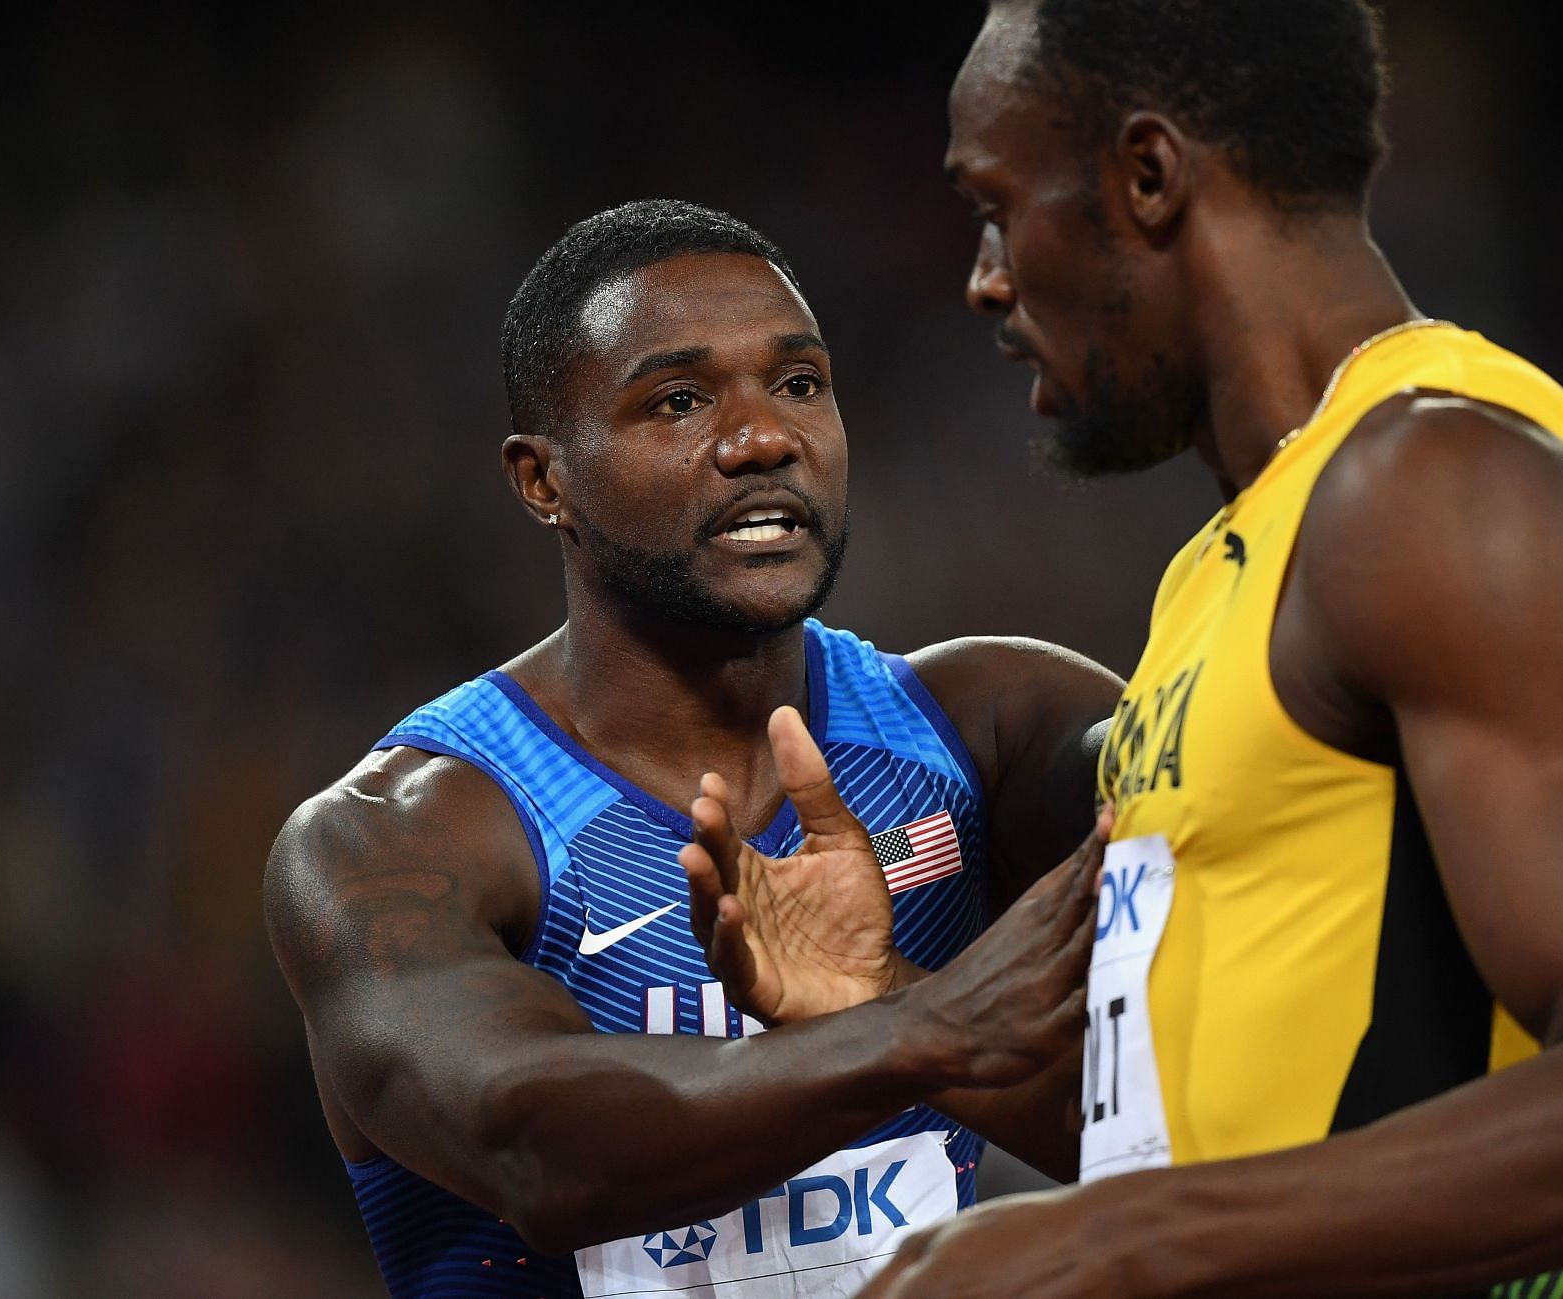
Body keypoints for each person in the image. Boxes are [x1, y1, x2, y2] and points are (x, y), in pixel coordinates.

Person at [688, 4, 1563, 1297]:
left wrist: (1106, 1240)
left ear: (1148, 178)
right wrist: (892, 1004)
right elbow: (1238, 1144)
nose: (984, 276)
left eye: (996, 205)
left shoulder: (1440, 481)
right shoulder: (1223, 568)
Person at [262, 199, 1123, 1299]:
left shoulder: (993, 726)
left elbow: (1201, 1128)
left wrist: (882, 999)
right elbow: (541, 1155)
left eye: (801, 383)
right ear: (544, 482)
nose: (765, 438)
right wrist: (923, 1026)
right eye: (677, 400)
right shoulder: (402, 837)